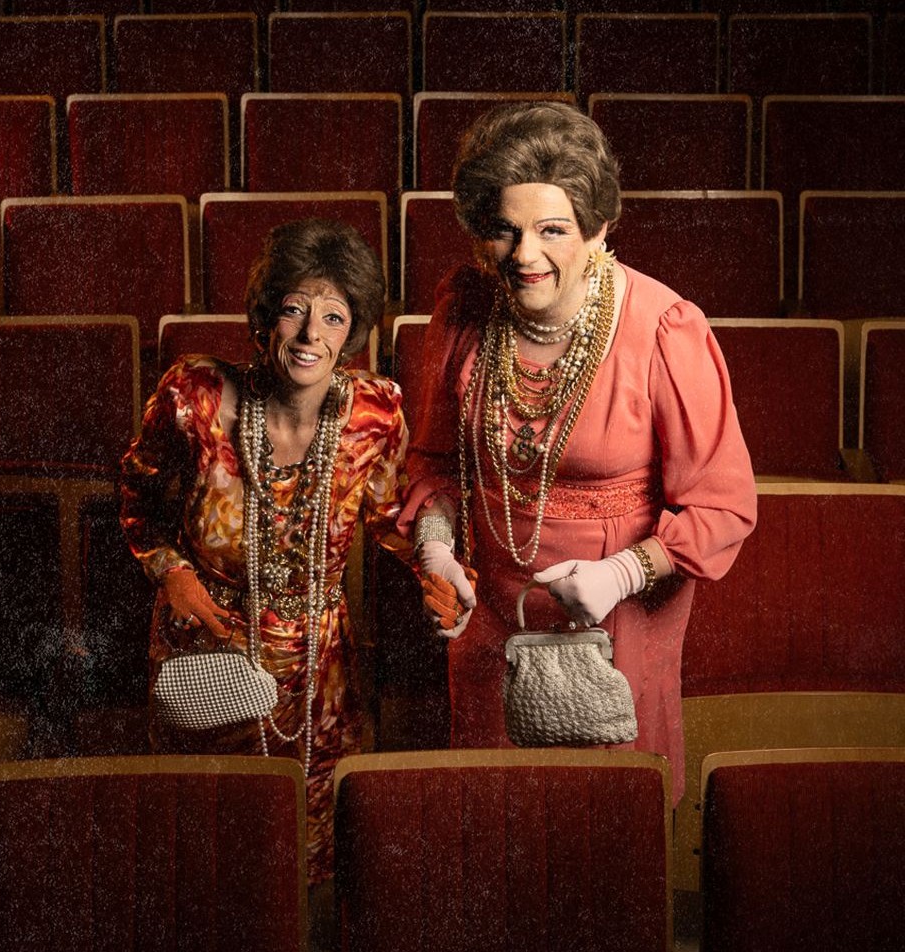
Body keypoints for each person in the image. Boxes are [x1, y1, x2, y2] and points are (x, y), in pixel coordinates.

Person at [402, 101, 757, 803]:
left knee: (601, 817)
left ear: (598, 229)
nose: (524, 255)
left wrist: (624, 572)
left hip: (618, 618)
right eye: (504, 229)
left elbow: (723, 507)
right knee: (498, 816)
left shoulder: (664, 327)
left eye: (552, 229)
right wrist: (436, 548)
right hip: (491, 614)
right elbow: (436, 466)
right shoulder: (464, 309)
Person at [120, 218, 409, 884]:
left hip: (319, 671)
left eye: (333, 317)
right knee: (201, 847)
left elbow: (391, 518)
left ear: (352, 334)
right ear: (264, 317)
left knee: (304, 856)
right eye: (294, 310)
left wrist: (437, 564)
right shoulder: (193, 396)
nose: (310, 335)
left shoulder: (376, 414)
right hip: (206, 648)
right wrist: (171, 572)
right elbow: (137, 496)